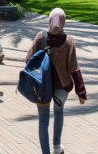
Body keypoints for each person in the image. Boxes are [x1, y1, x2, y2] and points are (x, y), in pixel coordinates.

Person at [25, 8, 87, 154]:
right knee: (59, 112)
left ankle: (45, 152)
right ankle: (57, 146)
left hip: (42, 87)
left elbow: (28, 59)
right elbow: (74, 68)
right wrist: (81, 92)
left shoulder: (41, 37)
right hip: (62, 85)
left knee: (43, 121)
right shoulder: (69, 42)